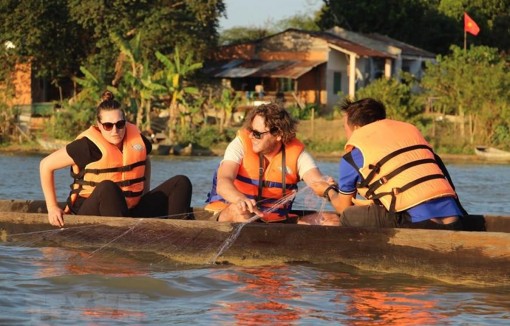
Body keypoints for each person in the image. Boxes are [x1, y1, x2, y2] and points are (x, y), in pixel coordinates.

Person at [40, 90, 193, 227]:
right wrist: (52, 207)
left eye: (119, 124)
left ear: (125, 123)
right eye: (108, 125)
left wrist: (144, 192)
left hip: (130, 210)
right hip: (91, 211)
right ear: (99, 125)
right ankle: (124, 237)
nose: (115, 130)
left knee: (181, 182)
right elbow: (45, 165)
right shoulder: (86, 146)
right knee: (108, 187)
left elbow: (144, 159)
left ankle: (178, 231)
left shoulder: (137, 141)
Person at [311, 98, 465, 230]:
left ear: (357, 129)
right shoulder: (409, 137)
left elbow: (342, 207)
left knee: (349, 216)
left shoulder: (354, 155)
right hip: (455, 219)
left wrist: (328, 191)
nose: (346, 134)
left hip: (419, 223)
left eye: (345, 128)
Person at [204, 102, 338, 225]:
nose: (251, 136)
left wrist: (327, 186)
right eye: (251, 130)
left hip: (275, 221)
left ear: (278, 134)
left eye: (257, 134)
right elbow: (223, 182)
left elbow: (316, 180)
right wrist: (240, 199)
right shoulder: (239, 145)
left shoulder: (297, 155)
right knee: (241, 212)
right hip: (231, 215)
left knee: (332, 221)